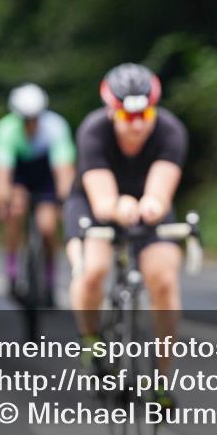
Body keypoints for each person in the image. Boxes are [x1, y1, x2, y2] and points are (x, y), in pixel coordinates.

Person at [64, 63, 188, 406]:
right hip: (95, 202)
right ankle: (91, 343)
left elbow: (160, 192)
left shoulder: (170, 131)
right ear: (111, 110)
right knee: (94, 271)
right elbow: (103, 202)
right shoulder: (94, 130)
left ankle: (162, 381)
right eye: (126, 115)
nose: (136, 124)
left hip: (145, 204)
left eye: (144, 113)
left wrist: (150, 206)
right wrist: (121, 207)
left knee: (163, 279)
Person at [0, 83, 76, 303]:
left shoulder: (56, 127)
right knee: (16, 209)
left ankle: (49, 278)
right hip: (19, 174)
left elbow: (64, 172)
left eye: (35, 118)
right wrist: (3, 200)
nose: (31, 124)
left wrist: (64, 203)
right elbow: (2, 174)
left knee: (47, 227)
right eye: (25, 119)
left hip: (45, 175)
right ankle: (11, 270)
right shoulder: (6, 129)